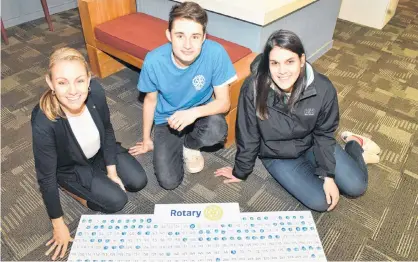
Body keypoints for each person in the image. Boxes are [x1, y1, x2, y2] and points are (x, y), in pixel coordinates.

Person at [215, 30, 381, 212]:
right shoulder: (253, 88)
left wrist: (328, 176)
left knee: (356, 186)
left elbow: (324, 134)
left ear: (302, 60)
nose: (282, 71)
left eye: (289, 62)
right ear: (267, 64)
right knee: (322, 202)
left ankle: (355, 145)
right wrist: (240, 171)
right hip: (277, 155)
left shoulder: (323, 88)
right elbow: (248, 135)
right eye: (275, 63)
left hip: (312, 144)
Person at [31, 47, 148, 260]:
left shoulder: (97, 92)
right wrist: (58, 224)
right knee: (116, 201)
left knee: (138, 181)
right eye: (62, 82)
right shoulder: (44, 120)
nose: (73, 91)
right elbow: (45, 177)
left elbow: (108, 130)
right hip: (71, 167)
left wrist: (112, 172)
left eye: (79, 80)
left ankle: (102, 176)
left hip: (99, 153)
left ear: (88, 79)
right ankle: (71, 189)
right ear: (50, 84)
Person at [129, 2, 237, 190]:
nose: (187, 45)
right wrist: (146, 139)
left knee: (217, 128)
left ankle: (190, 146)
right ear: (169, 35)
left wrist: (193, 113)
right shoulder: (154, 61)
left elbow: (224, 103)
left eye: (195, 36)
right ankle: (176, 142)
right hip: (167, 119)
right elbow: (150, 101)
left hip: (200, 114)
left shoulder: (216, 53)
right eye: (180, 36)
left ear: (204, 37)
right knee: (169, 182)